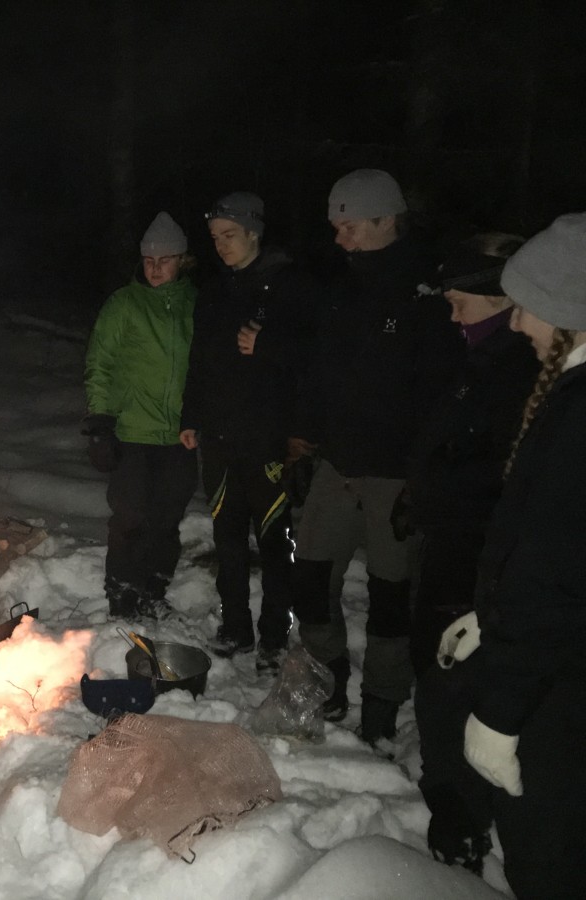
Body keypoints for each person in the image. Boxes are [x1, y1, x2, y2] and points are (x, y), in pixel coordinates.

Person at [419, 213, 586, 898]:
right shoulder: (568, 394)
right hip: (544, 663)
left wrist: (500, 714)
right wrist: (490, 617)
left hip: (557, 689)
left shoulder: (578, 415)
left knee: (549, 860)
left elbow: (553, 580)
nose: (516, 324)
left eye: (528, 307)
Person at [289, 169, 462, 740]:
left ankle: (382, 708)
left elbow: (441, 394)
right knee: (311, 579)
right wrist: (303, 437)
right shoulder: (341, 288)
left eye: (351, 227)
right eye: (336, 228)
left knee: (391, 598)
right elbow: (319, 372)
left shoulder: (427, 293)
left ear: (387, 220)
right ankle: (328, 680)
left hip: (395, 475)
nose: (340, 239)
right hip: (337, 464)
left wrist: (423, 478)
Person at [180, 192, 316, 675]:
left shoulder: (288, 285)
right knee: (228, 538)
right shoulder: (215, 291)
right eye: (215, 237)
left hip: (268, 439)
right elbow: (200, 361)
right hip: (220, 438)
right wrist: (191, 417)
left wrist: (269, 345)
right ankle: (235, 626)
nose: (221, 245)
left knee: (275, 540)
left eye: (230, 235)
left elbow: (312, 358)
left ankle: (274, 635)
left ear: (254, 233)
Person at [403, 234, 538, 679]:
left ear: (500, 298)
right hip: (447, 532)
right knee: (430, 645)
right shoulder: (475, 356)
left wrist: (439, 485)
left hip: (475, 547)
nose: (454, 315)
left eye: (460, 303)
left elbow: (504, 469)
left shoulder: (520, 370)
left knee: (448, 658)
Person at [84, 211, 198, 619]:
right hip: (131, 431)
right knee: (130, 518)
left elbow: (209, 368)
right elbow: (100, 363)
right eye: (149, 260)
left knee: (166, 520)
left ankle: (153, 591)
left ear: (182, 260)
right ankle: (122, 595)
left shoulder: (197, 304)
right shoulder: (124, 304)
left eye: (164, 260)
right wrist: (100, 422)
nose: (155, 268)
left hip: (180, 436)